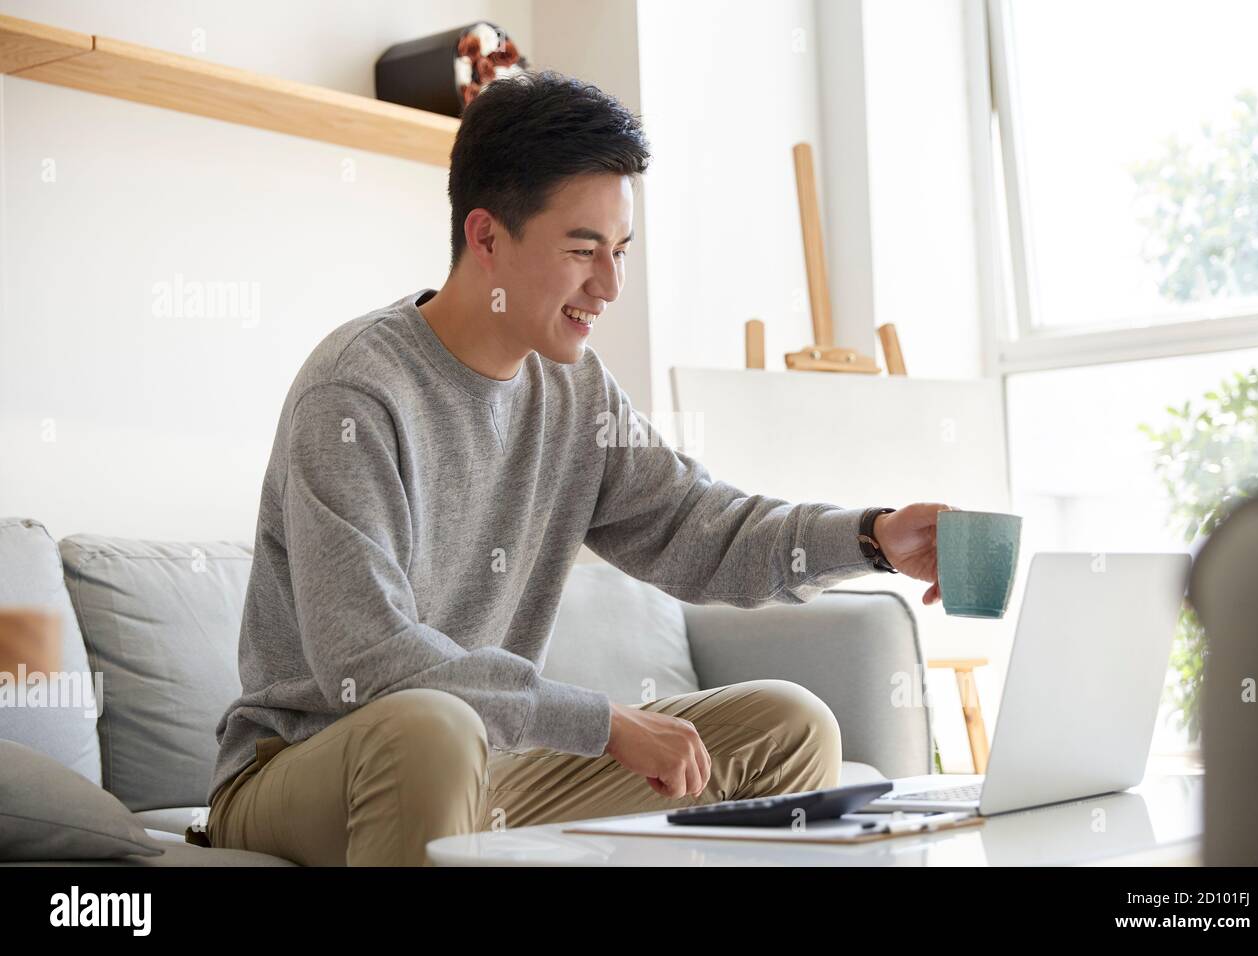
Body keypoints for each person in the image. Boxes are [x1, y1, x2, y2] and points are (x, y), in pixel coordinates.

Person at [193, 69, 953, 866]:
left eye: (620, 250)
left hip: (485, 760)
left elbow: (703, 527)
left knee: (786, 724)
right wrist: (605, 722)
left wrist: (872, 538)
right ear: (486, 238)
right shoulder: (357, 390)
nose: (611, 284)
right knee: (432, 724)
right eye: (583, 250)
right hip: (304, 769)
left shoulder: (574, 389)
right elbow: (368, 659)